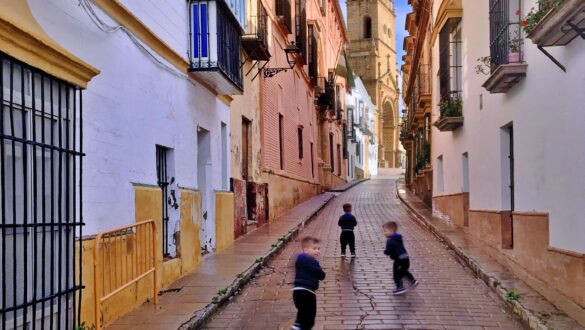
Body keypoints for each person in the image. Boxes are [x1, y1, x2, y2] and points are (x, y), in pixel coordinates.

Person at [292, 236, 326, 330]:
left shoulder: (300, 259)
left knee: (302, 312)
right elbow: (320, 274)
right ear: (305, 250)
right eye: (314, 249)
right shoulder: (310, 260)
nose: (317, 251)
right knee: (310, 316)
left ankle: (297, 326)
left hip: (297, 291)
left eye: (318, 249)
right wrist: (322, 273)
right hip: (307, 292)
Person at [383, 221, 419, 295]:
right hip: (406, 258)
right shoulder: (399, 237)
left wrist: (385, 252)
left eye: (385, 231)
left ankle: (400, 287)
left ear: (391, 231)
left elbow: (388, 251)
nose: (384, 233)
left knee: (396, 274)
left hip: (398, 259)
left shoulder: (390, 241)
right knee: (404, 271)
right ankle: (413, 280)